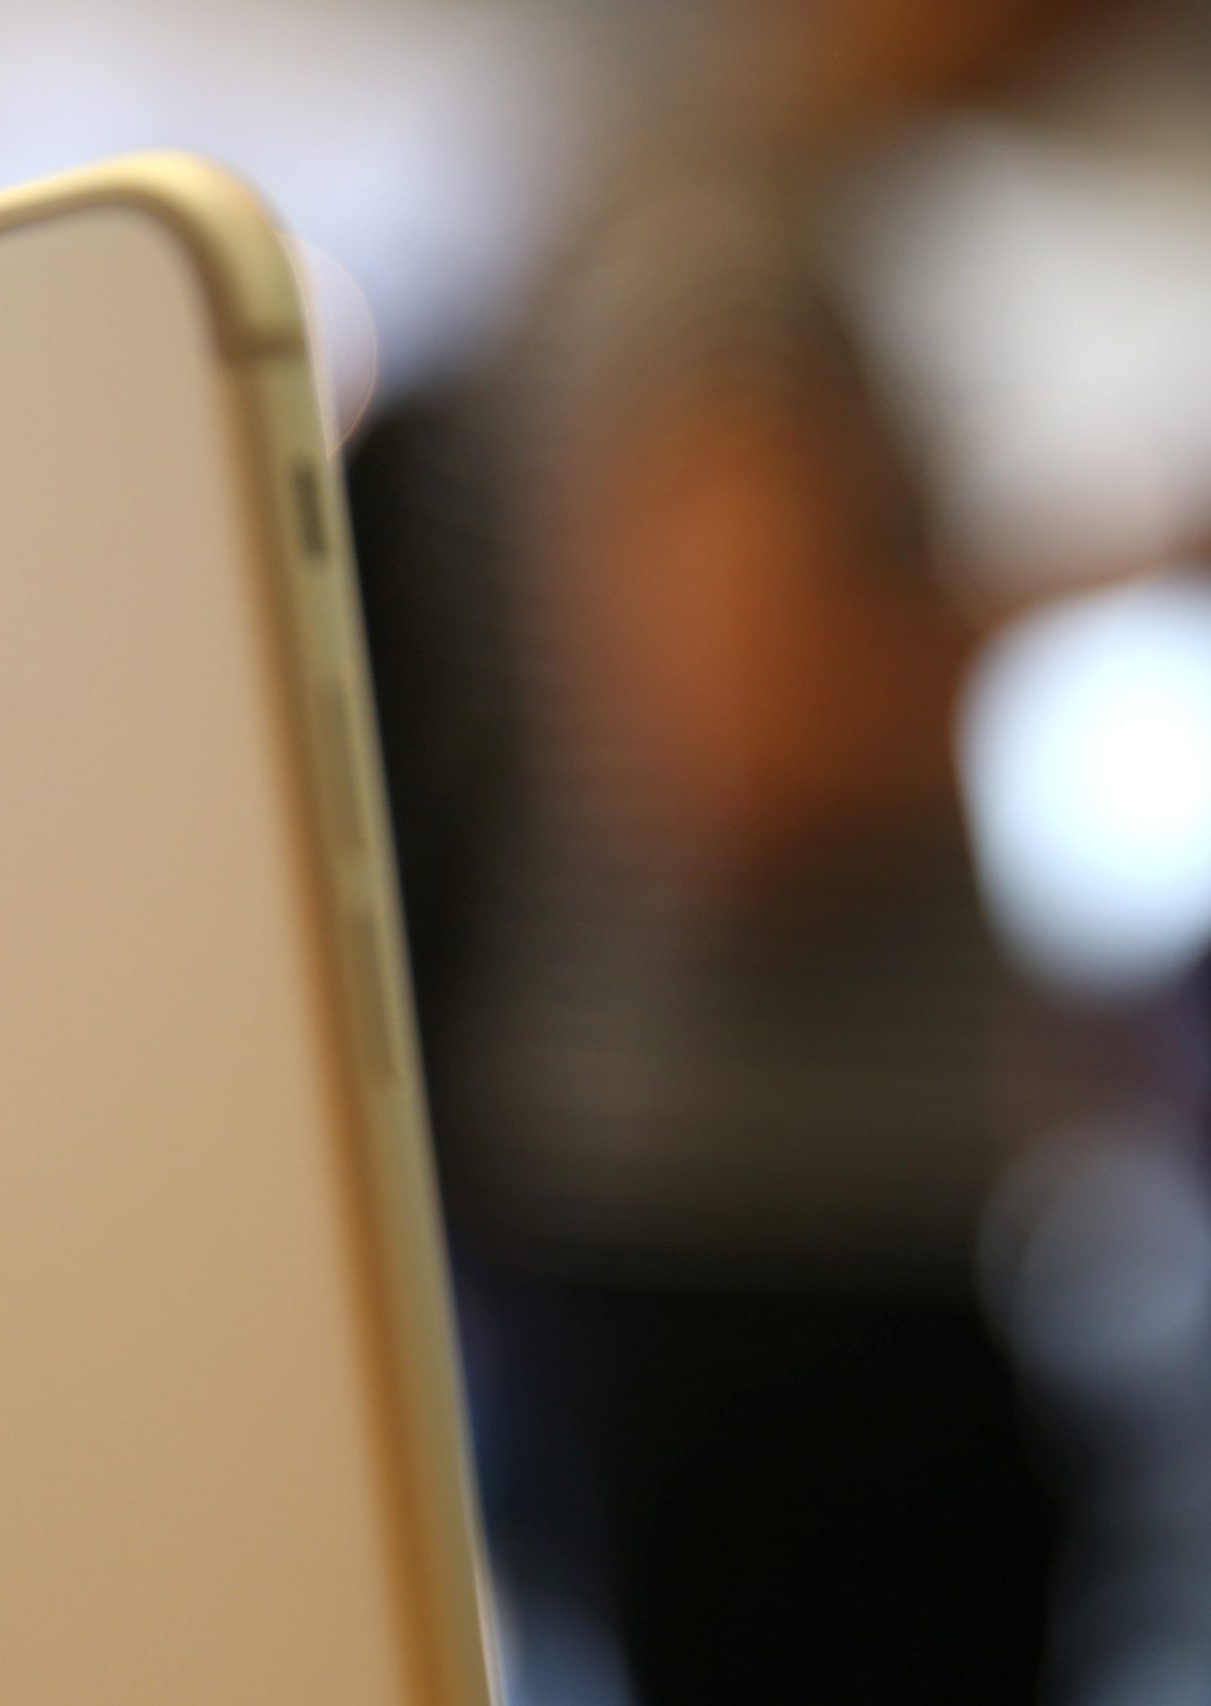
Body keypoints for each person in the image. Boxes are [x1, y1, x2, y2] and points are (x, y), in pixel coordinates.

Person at [343, 2, 1190, 1700]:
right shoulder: (723, 243)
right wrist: (1108, 576)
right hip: (757, 1230)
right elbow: (744, 758)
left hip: (718, 1220)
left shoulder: (693, 217)